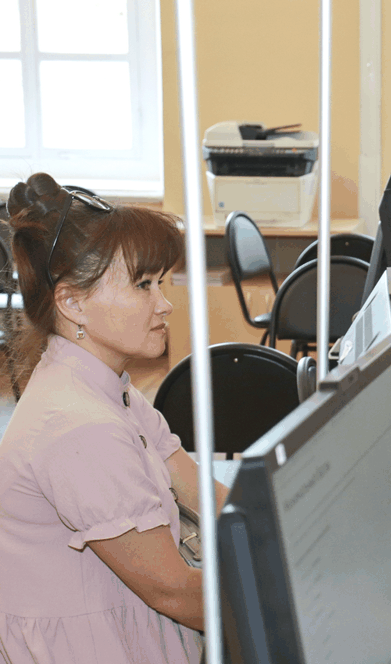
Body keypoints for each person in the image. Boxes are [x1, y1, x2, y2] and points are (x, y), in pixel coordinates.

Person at [0, 173, 226, 663]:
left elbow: (205, 495)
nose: (164, 304)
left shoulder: (106, 386)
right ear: (72, 302)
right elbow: (173, 592)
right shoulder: (78, 427)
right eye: (143, 285)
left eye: (160, 283)